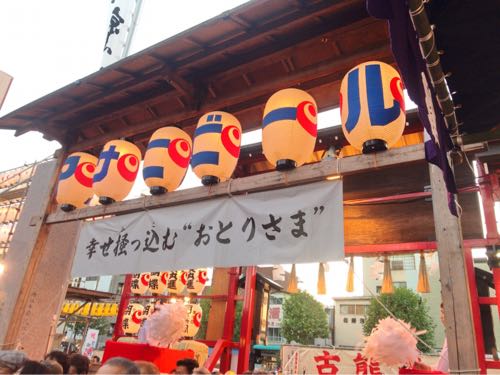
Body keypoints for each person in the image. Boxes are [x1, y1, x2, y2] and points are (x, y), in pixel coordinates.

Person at [414, 302, 448, 372]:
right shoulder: (448, 336)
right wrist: (426, 368)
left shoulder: (455, 338)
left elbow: (441, 370)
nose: (442, 316)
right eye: (442, 312)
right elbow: (440, 366)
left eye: (444, 312)